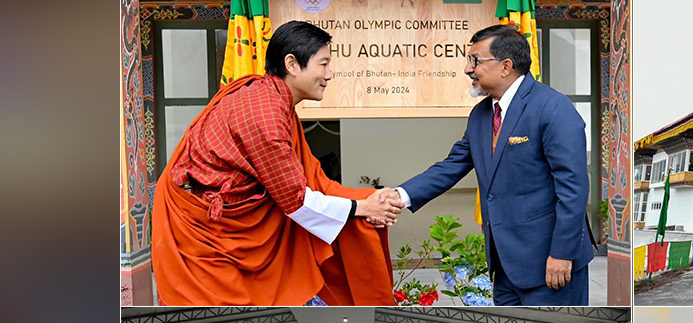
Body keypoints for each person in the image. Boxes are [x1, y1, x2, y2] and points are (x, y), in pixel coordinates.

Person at [150, 21, 404, 306]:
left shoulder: (269, 99)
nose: (329, 75)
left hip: (229, 224)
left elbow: (313, 182)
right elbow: (296, 201)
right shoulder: (264, 114)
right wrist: (362, 207)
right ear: (292, 64)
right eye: (323, 64)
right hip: (207, 237)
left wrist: (368, 200)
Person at [399, 23, 596, 304]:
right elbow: (451, 166)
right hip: (505, 267)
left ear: (505, 66)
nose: (468, 69)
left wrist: (562, 253)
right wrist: (399, 196)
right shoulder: (481, 115)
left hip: (551, 264)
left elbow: (573, 187)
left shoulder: (552, 107)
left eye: (475, 61)